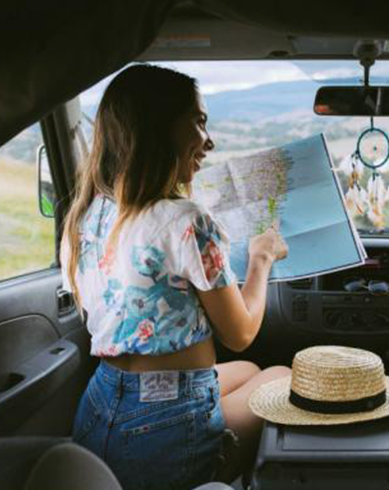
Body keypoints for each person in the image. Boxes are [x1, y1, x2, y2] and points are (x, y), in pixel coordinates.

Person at [60, 64, 290, 490]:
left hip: (102, 402)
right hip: (165, 419)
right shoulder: (186, 219)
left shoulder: (87, 216)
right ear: (160, 127)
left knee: (251, 371)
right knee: (281, 376)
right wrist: (260, 258)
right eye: (199, 123)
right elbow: (240, 333)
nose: (209, 141)